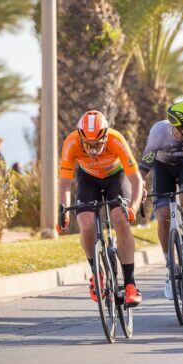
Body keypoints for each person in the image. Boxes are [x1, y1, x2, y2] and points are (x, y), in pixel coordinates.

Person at [58, 111, 144, 306]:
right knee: (86, 225)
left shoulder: (116, 139)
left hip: (116, 178)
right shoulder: (71, 142)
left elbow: (136, 179)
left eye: (98, 145)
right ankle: (97, 275)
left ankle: (130, 285)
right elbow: (64, 184)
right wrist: (63, 211)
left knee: (120, 219)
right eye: (88, 145)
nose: (93, 150)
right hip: (88, 180)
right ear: (80, 138)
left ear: (106, 136)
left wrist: (134, 207)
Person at [139, 101, 183, 300]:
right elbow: (143, 169)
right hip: (162, 169)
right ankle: (170, 269)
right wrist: (141, 188)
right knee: (162, 217)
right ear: (182, 127)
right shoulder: (159, 133)